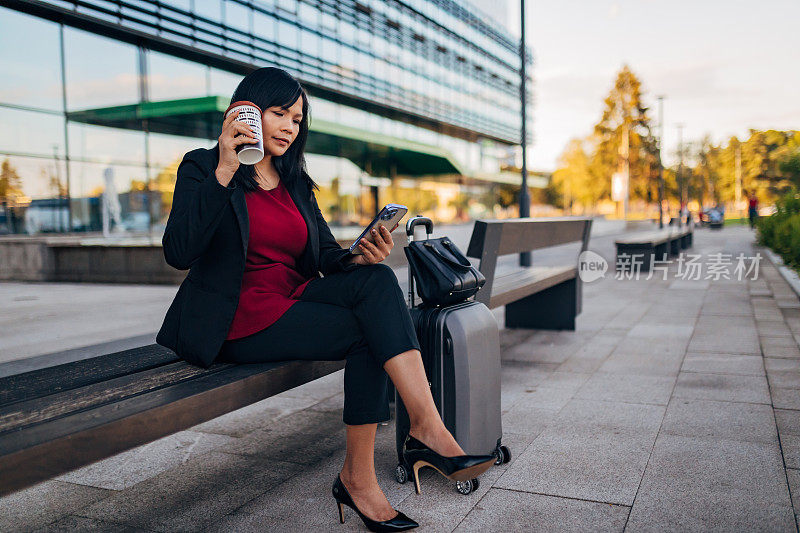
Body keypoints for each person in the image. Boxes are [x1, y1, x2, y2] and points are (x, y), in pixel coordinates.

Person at [155, 67, 495, 532]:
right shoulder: (203, 166)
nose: (291, 127)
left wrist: (360, 256)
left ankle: (421, 428)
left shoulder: (294, 179)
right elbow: (179, 252)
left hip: (291, 298)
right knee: (368, 333)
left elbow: (326, 256)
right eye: (280, 114)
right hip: (237, 319)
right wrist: (226, 167)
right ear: (245, 110)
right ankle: (367, 475)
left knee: (374, 280)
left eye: (298, 119)